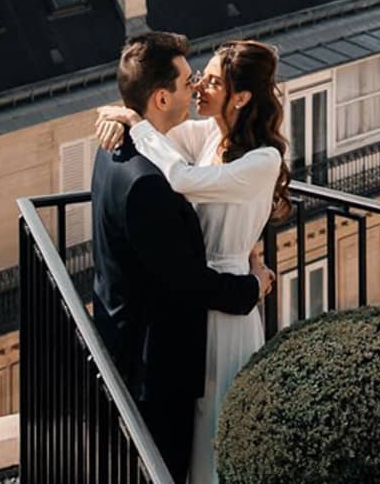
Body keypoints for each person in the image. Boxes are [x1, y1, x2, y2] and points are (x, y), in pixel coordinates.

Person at [97, 39, 290, 484]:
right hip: (198, 300)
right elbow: (156, 124)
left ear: (241, 97)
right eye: (199, 76)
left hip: (228, 307)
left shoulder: (264, 159)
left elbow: (181, 177)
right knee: (194, 425)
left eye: (214, 81)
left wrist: (134, 121)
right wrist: (120, 114)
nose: (200, 86)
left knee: (218, 429)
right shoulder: (208, 133)